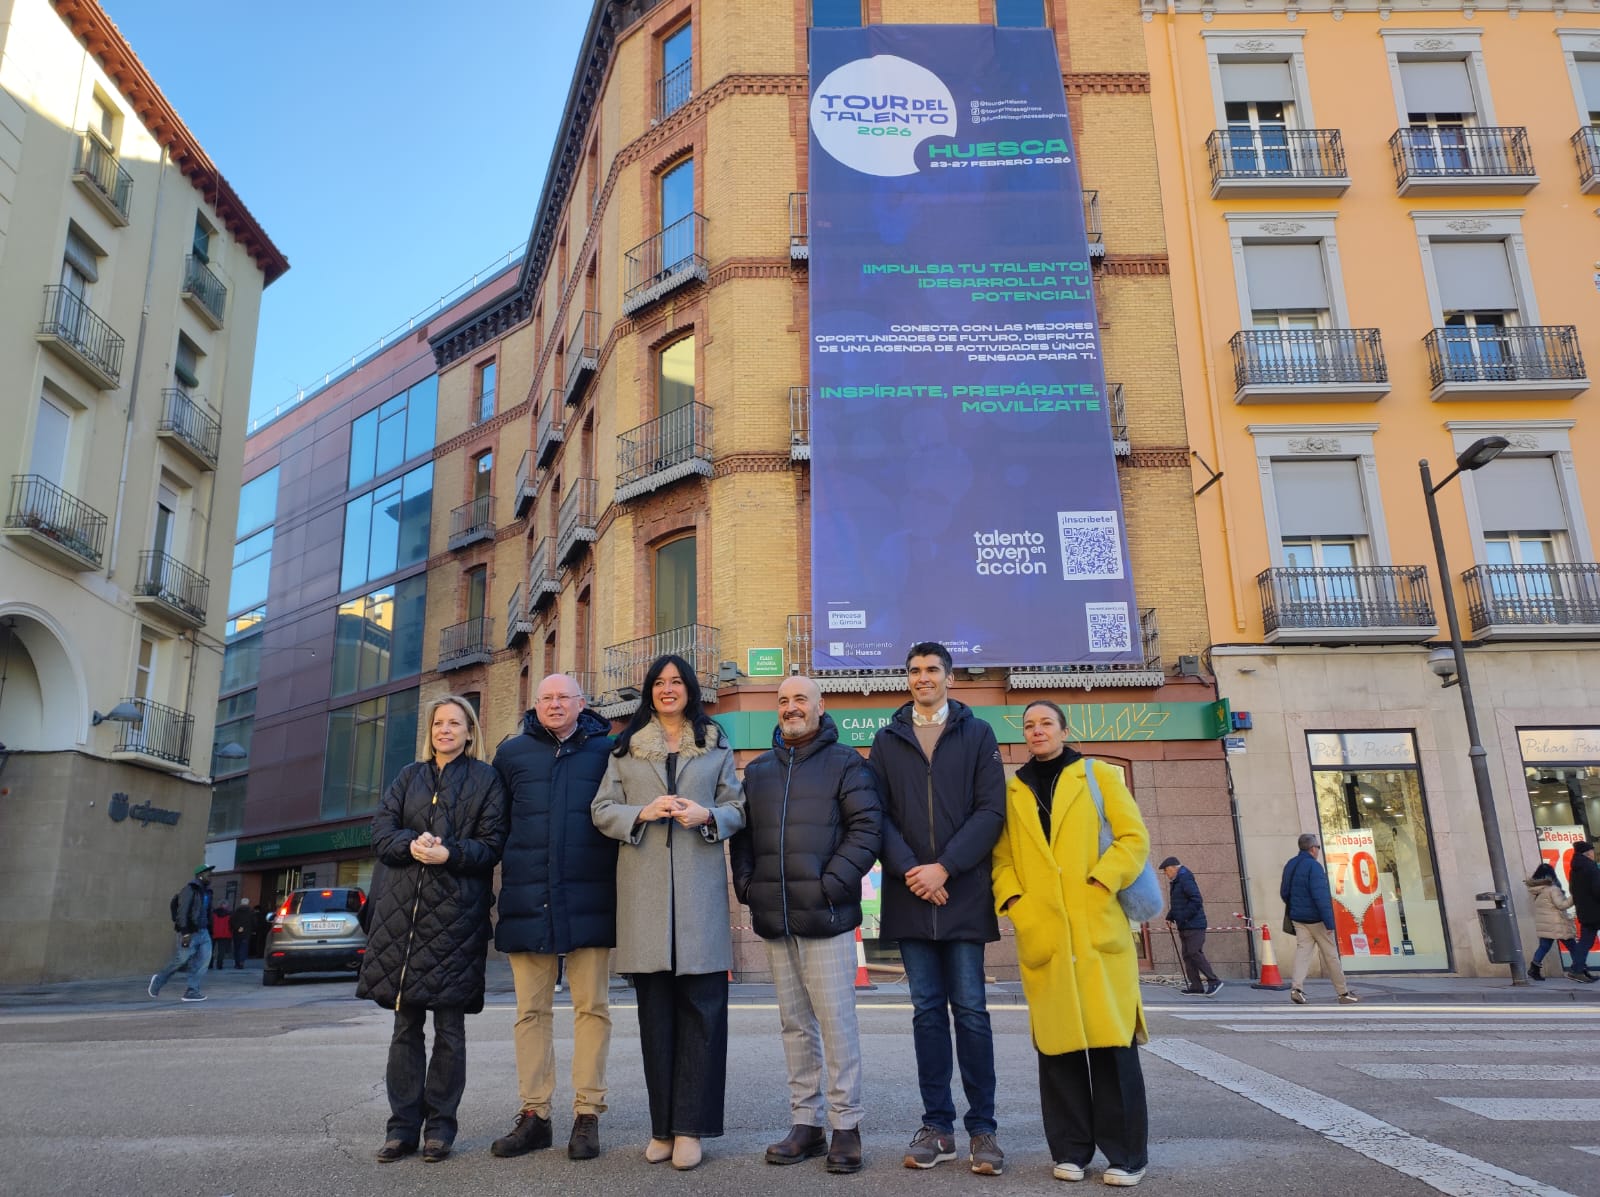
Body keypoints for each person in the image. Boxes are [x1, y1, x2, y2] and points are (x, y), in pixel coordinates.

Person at [591, 654, 745, 1172]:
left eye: (677, 682)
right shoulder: (625, 748)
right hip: (645, 902)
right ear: (650, 692)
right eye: (659, 683)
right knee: (655, 1020)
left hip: (700, 901)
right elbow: (601, 810)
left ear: (690, 689)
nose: (668, 689)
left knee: (703, 1018)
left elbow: (738, 807)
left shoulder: (716, 743)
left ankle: (690, 1129)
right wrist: (642, 812)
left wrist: (707, 815)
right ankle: (662, 1128)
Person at [730, 675, 882, 1174]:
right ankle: (807, 1123)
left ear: (820, 705)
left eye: (800, 699)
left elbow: (867, 829)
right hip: (776, 917)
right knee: (795, 1025)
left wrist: (830, 884)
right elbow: (743, 838)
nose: (791, 707)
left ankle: (846, 1125)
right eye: (783, 701)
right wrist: (748, 887)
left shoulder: (846, 763)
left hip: (827, 916)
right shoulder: (758, 771)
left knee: (836, 1024)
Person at [996, 700, 1151, 1187]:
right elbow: (1002, 859)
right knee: (1057, 1049)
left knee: (1113, 1047)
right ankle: (1070, 1151)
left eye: (1046, 723)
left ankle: (1127, 1155)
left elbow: (1133, 837)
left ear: (1064, 730)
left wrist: (1104, 880)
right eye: (1029, 725)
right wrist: (1016, 903)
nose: (1037, 731)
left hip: (1097, 925)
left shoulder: (1098, 775)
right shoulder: (1014, 790)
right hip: (1044, 932)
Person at [867, 641, 1006, 1175]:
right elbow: (876, 815)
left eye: (931, 669)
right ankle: (938, 1128)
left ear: (949, 677)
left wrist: (944, 868)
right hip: (910, 896)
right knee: (926, 1013)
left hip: (962, 894)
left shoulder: (978, 734)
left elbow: (990, 812)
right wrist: (914, 872)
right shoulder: (887, 740)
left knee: (970, 1013)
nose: (922, 677)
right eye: (914, 670)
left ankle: (983, 1130)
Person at [356, 695, 508, 1165]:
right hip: (403, 921)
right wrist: (411, 843)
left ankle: (440, 1128)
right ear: (431, 731)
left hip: (456, 922)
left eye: (454, 723)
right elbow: (381, 834)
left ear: (469, 731)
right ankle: (401, 1129)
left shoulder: (485, 779)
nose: (445, 729)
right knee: (405, 1028)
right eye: (439, 723)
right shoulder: (409, 776)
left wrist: (450, 853)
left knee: (449, 1030)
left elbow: (491, 845)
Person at [490, 674, 617, 1161]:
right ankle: (535, 1115)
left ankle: (588, 1113)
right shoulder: (511, 754)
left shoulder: (607, 751)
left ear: (582, 704)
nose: (555, 704)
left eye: (564, 697)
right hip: (528, 899)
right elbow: (494, 826)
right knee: (530, 1012)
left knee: (592, 1008)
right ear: (535, 704)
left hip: (591, 896)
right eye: (547, 698)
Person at [1280, 833, 1357, 1005]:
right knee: (1331, 955)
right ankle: (1343, 992)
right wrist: (1329, 922)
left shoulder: (1291, 864)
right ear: (1313, 848)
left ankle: (1296, 988)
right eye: (1318, 847)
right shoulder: (1314, 867)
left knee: (1302, 953)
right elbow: (1321, 897)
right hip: (1316, 919)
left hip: (1297, 918)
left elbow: (1284, 892)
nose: (1318, 850)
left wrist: (1296, 907)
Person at [148, 864, 215, 1002]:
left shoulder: (207, 892)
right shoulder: (189, 889)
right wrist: (185, 932)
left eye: (211, 873)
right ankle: (158, 981)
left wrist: (210, 928)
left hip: (204, 932)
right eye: (208, 873)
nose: (210, 875)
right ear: (200, 875)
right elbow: (182, 911)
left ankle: (192, 991)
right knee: (180, 960)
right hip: (190, 932)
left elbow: (207, 912)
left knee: (203, 962)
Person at [1160, 856, 1221, 997]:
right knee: (1188, 955)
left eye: (1166, 871)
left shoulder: (1185, 878)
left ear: (1173, 868)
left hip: (1194, 924)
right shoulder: (1178, 881)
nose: (1165, 874)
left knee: (1194, 952)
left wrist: (1183, 917)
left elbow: (1196, 900)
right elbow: (1179, 903)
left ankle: (1214, 981)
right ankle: (1196, 986)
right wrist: (1170, 916)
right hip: (1185, 924)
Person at [1524, 862, 1581, 982]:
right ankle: (1579, 969)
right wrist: (1574, 897)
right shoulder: (1553, 889)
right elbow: (1561, 905)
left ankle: (1534, 969)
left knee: (1544, 947)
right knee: (1572, 946)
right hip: (1557, 923)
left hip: (1545, 924)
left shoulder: (1536, 891)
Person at [1568, 841, 1600, 982]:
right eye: (1592, 851)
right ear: (1587, 853)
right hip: (1595, 910)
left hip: (1584, 909)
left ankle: (1578, 968)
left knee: (1585, 941)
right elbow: (1598, 889)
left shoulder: (1574, 869)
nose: (1594, 854)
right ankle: (1577, 970)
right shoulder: (1591, 867)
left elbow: (1572, 890)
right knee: (1586, 941)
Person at [230, 898, 253, 968]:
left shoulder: (236, 912)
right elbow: (254, 922)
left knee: (237, 948)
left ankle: (237, 962)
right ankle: (241, 962)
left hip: (237, 932)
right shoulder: (251, 912)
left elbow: (231, 921)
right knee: (244, 948)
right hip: (246, 932)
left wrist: (238, 928)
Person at [210, 900, 233, 969]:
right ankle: (219, 965)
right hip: (224, 934)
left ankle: (210, 964)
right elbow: (231, 924)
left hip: (214, 933)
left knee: (211, 950)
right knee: (221, 951)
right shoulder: (229, 914)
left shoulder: (213, 913)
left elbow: (210, 923)